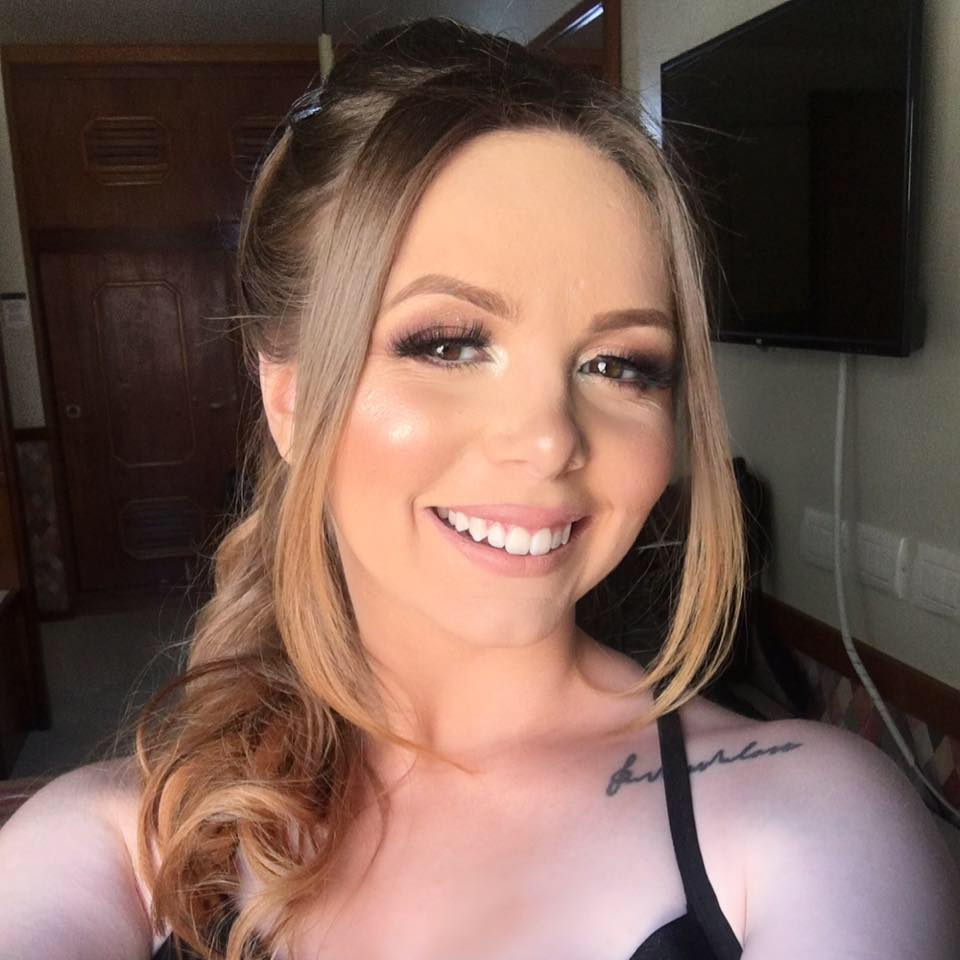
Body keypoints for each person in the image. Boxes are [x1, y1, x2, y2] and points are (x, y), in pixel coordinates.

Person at [1, 17, 958, 960]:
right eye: (449, 344)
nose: (549, 439)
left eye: (620, 364)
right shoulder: (129, 843)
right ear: (289, 400)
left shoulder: (811, 821)